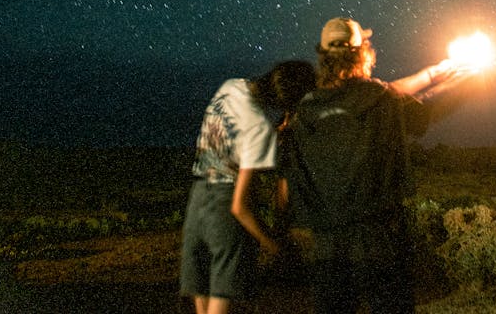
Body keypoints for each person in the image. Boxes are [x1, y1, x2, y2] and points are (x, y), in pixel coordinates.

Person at [277, 17, 471, 314]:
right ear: (361, 53)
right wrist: (465, 77)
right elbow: (422, 105)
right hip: (379, 240)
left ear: (324, 57)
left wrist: (435, 72)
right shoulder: (379, 100)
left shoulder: (305, 111)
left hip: (326, 244)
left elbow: (383, 93)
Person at [180, 59, 316, 314]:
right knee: (221, 301)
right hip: (223, 209)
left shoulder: (231, 87)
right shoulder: (259, 128)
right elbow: (239, 206)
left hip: (198, 197)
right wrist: (276, 247)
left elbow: (227, 142)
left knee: (202, 296)